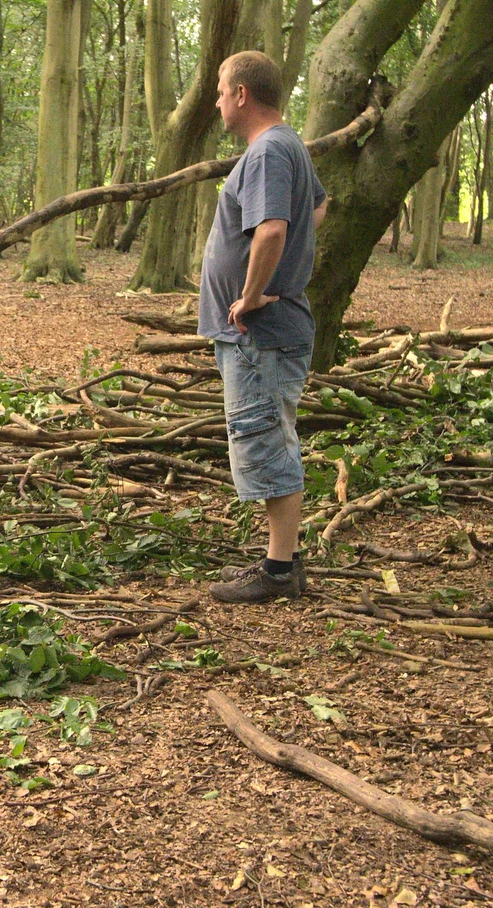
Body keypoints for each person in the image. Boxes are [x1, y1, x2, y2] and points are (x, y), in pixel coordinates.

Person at [199, 51, 325, 604]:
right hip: (271, 328)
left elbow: (273, 228)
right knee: (270, 434)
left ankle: (278, 574)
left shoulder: (269, 150)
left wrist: (250, 296)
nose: (218, 100)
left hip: (262, 331)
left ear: (243, 94)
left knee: (265, 439)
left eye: (223, 90)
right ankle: (284, 561)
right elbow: (317, 208)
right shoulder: (286, 144)